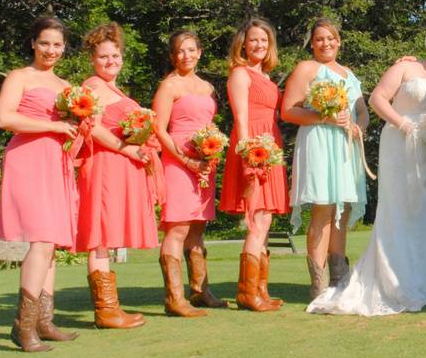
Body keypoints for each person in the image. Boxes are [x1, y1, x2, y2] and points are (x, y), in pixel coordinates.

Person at [307, 18, 426, 315]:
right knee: (400, 210)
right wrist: (402, 123)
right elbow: (378, 98)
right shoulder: (406, 66)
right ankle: (394, 281)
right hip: (400, 143)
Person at [0, 16, 80, 351]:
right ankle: (22, 325)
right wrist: (55, 128)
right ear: (33, 43)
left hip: (57, 162)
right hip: (28, 158)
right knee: (42, 240)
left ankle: (44, 321)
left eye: (57, 44)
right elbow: (4, 117)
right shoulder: (20, 76)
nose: (51, 50)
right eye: (44, 43)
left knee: (52, 244)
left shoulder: (65, 85)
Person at [76, 22, 157, 330]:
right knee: (100, 235)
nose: (111, 62)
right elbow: (92, 128)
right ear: (93, 60)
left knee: (107, 237)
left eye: (115, 56)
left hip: (119, 165)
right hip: (105, 166)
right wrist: (127, 148)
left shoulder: (112, 88)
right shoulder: (94, 86)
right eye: (104, 57)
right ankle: (106, 311)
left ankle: (110, 309)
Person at [282, 18, 368, 300]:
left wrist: (359, 128)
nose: (325, 43)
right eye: (319, 39)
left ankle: (340, 278)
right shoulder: (307, 69)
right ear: (312, 42)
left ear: (339, 41)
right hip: (319, 141)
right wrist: (325, 116)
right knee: (323, 208)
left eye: (330, 38)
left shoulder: (349, 73)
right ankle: (318, 282)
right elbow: (288, 111)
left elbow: (362, 112)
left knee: (341, 212)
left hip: (346, 146)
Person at [219, 18, 290, 311]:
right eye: (253, 40)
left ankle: (259, 290)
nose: (259, 45)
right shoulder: (240, 74)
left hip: (271, 146)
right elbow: (241, 118)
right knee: (256, 218)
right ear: (243, 44)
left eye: (264, 40)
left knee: (265, 218)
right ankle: (248, 293)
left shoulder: (269, 79)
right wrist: (249, 152)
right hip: (254, 148)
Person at [153, 30, 222, 318]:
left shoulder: (207, 87)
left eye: (191, 50)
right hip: (178, 161)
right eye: (181, 51)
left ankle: (200, 290)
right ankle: (174, 297)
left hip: (204, 162)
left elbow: (208, 122)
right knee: (178, 227)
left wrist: (212, 150)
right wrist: (184, 158)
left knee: (197, 227)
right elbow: (158, 128)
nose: (187, 56)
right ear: (173, 56)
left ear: (200, 52)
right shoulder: (169, 86)